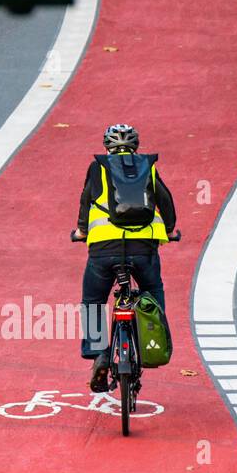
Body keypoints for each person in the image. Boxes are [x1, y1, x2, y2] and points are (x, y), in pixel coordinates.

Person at [73, 123, 176, 391]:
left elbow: (86, 202)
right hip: (144, 247)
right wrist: (168, 230)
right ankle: (153, 339)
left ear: (106, 146)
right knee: (152, 289)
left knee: (93, 301)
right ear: (136, 146)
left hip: (103, 249)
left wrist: (82, 231)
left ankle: (100, 354)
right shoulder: (147, 167)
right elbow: (165, 202)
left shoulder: (98, 167)